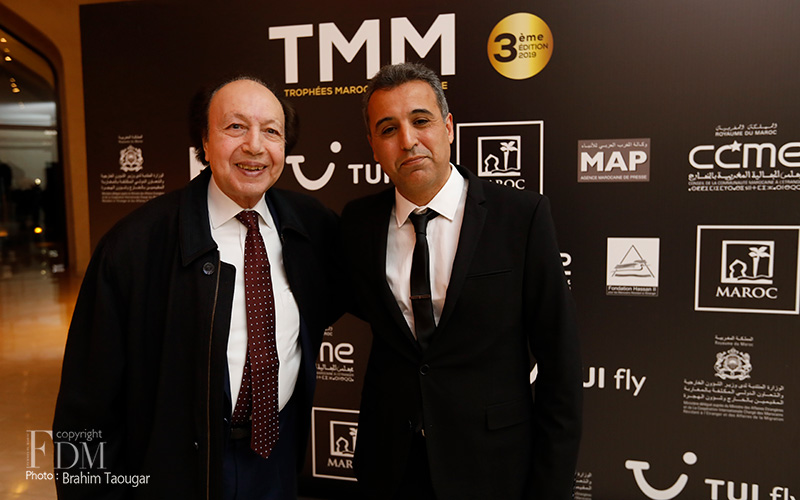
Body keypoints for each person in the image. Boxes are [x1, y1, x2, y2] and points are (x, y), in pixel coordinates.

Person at [53, 76, 342, 499]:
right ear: (204, 143)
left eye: (271, 131)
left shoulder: (311, 225)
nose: (255, 146)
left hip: (276, 457)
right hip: (177, 470)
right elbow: (87, 405)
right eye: (235, 127)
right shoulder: (134, 247)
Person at [340, 62, 582, 499]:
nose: (408, 140)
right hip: (391, 467)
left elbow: (560, 366)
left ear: (449, 127)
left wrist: (551, 488)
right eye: (388, 129)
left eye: (421, 121)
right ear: (373, 146)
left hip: (493, 467)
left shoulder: (521, 217)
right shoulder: (357, 224)